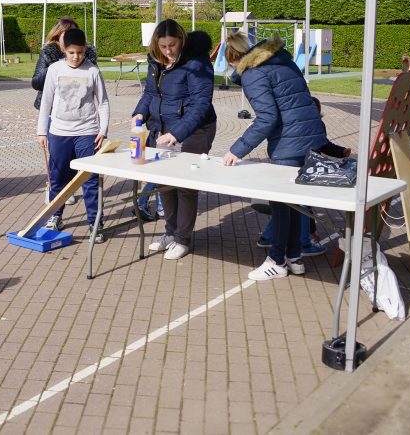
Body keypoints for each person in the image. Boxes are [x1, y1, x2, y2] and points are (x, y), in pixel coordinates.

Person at [222, 31, 329, 281]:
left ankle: (277, 260)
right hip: (310, 138)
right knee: (295, 203)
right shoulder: (282, 60)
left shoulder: (253, 74)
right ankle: (294, 257)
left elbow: (268, 118)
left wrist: (236, 150)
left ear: (233, 60)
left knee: (281, 205)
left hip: (288, 144)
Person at [133, 20, 217, 260]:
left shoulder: (196, 63)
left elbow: (202, 103)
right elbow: (150, 93)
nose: (168, 50)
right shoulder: (155, 61)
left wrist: (178, 132)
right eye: (163, 46)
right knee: (163, 183)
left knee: (185, 186)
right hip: (163, 128)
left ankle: (183, 239)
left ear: (182, 40)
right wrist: (140, 113)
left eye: (172, 45)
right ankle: (170, 233)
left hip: (195, 130)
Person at [36, 29, 110, 241]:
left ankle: (95, 222)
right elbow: (46, 102)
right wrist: (42, 131)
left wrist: (102, 131)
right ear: (63, 50)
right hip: (59, 132)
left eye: (80, 52)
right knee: (58, 177)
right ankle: (55, 216)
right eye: (71, 53)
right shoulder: (54, 70)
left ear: (85, 50)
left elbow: (103, 102)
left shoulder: (92, 71)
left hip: (87, 132)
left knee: (89, 178)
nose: (76, 57)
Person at [255, 96, 351, 253]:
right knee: (300, 205)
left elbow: (324, 144)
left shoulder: (288, 122)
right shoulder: (316, 125)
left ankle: (268, 237)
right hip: (303, 167)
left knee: (285, 203)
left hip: (283, 161)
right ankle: (303, 243)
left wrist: (340, 151)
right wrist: (312, 229)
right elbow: (324, 144)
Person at [31, 17, 97, 110]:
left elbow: (95, 83)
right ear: (58, 35)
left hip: (79, 107)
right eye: (66, 33)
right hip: (52, 107)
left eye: (73, 33)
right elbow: (36, 83)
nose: (70, 37)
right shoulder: (49, 52)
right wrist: (53, 68)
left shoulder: (87, 53)